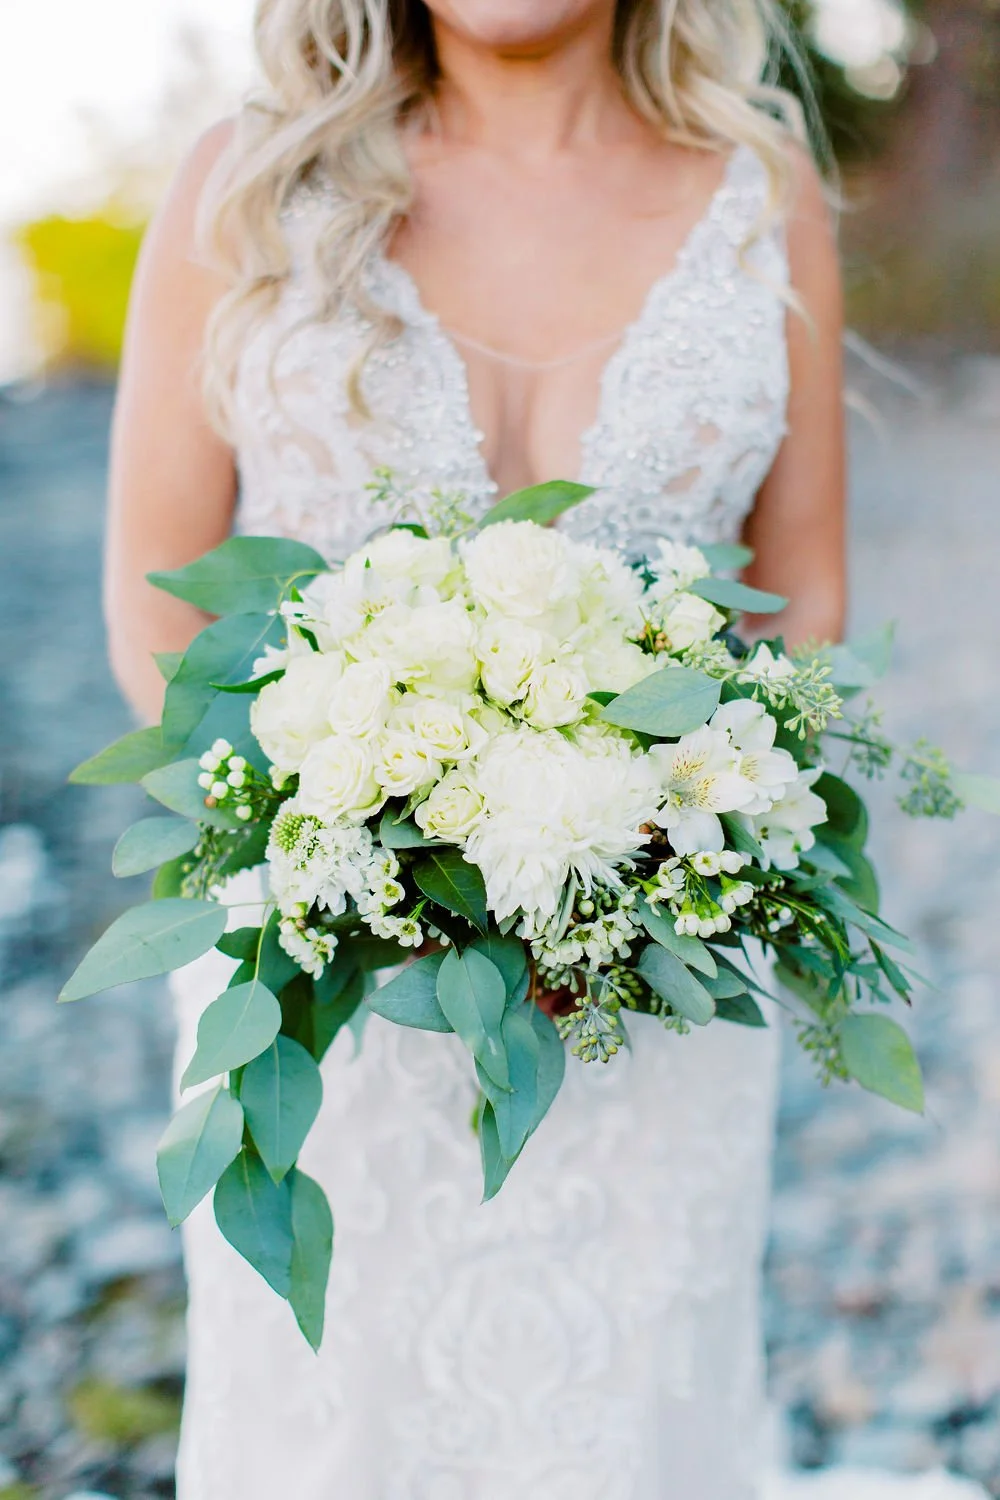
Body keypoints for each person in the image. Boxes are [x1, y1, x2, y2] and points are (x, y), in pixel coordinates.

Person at [104, 3, 985, 1497]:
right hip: (331, 994)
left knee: (634, 1412)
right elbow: (155, 603)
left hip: (652, 990)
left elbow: (806, 606)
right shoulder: (245, 184)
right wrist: (347, 860)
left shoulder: (756, 191)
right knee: (333, 1421)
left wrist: (669, 852)